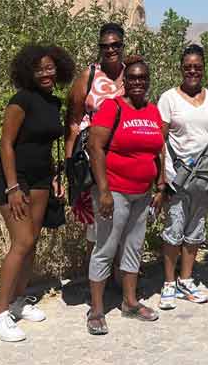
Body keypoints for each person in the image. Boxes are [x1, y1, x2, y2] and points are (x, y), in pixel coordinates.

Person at [0, 43, 75, 343]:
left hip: (41, 178)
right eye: (39, 69)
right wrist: (13, 186)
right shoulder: (21, 100)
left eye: (50, 67)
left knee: (33, 240)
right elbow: (6, 144)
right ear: (28, 72)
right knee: (21, 242)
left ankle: (18, 301)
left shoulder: (53, 102)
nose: (46, 73)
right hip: (16, 177)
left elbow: (51, 145)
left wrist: (55, 178)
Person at [85, 56, 166, 335]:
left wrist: (160, 184)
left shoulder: (154, 112)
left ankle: (130, 303)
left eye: (143, 78)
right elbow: (96, 148)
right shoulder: (112, 107)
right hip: (115, 192)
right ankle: (96, 310)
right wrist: (104, 190)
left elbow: (158, 149)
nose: (138, 82)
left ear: (148, 81)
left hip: (142, 194)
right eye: (132, 78)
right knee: (106, 248)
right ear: (125, 82)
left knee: (134, 247)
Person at [157, 44, 208, 310]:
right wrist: (160, 180)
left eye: (197, 67)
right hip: (175, 176)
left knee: (195, 229)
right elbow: (159, 141)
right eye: (188, 67)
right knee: (174, 228)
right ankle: (168, 283)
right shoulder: (168, 98)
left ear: (203, 68)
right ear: (181, 68)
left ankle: (186, 279)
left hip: (204, 175)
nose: (192, 71)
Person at [66, 22, 127, 258]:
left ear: (122, 45)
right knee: (95, 223)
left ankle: (121, 276)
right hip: (93, 159)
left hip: (124, 157)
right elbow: (73, 121)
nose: (110, 50)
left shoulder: (131, 74)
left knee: (123, 216)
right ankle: (97, 280)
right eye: (105, 46)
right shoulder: (89, 76)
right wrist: (71, 163)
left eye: (115, 45)